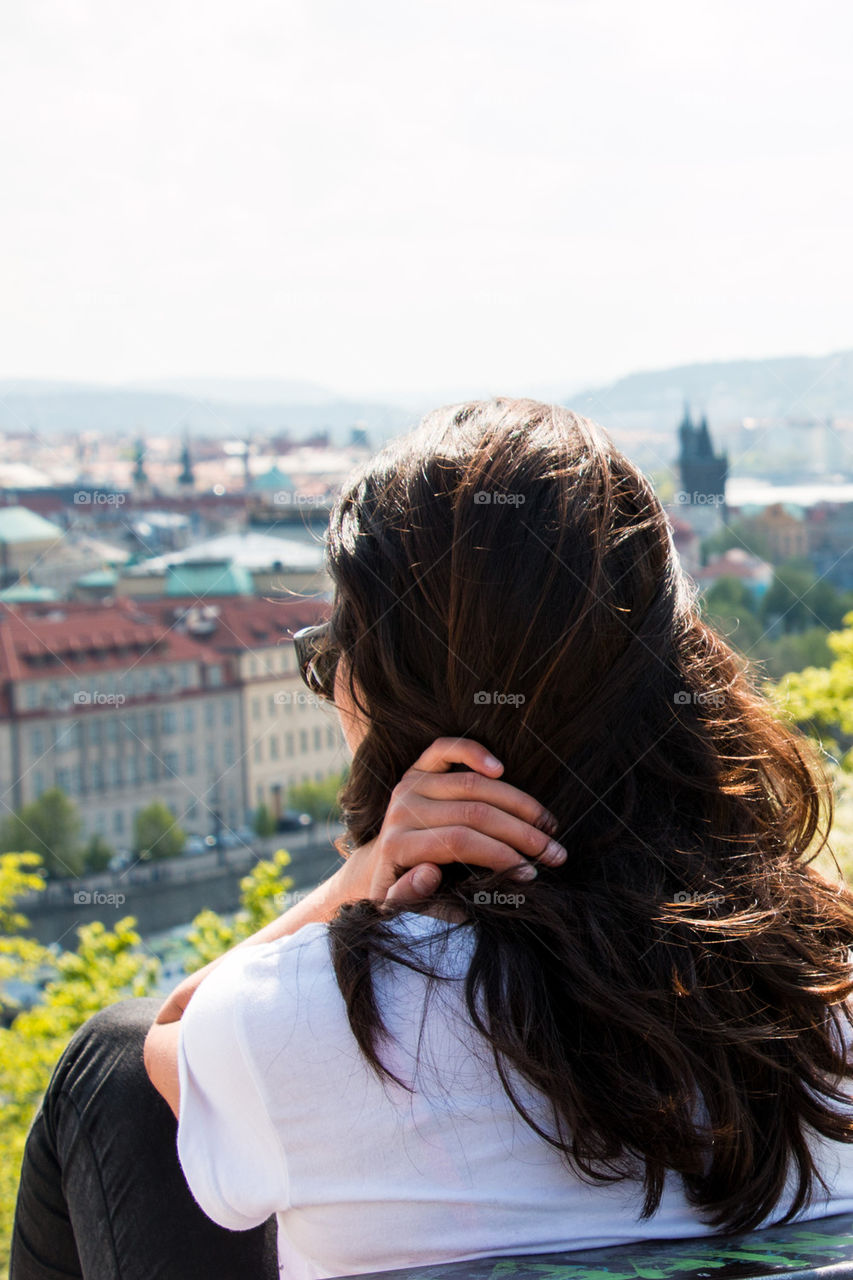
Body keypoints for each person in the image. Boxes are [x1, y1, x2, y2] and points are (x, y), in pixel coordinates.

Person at [12, 398, 853, 1280]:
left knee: (107, 1055)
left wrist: (367, 872)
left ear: (394, 693)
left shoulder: (316, 1027)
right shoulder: (825, 982)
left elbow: (156, 1057)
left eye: (330, 655)